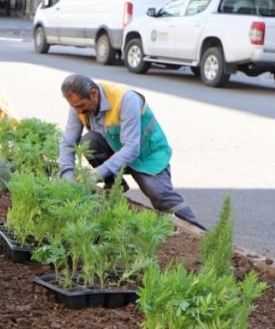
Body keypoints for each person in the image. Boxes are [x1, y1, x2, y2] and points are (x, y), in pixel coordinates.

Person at [58, 73, 203, 229]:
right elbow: (68, 142)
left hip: (146, 155)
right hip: (116, 152)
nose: (78, 111)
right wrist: (67, 174)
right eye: (74, 107)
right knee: (90, 141)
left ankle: (200, 233)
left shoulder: (126, 99)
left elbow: (131, 149)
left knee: (160, 196)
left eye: (80, 106)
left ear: (93, 93)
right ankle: (114, 186)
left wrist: (97, 174)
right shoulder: (78, 107)